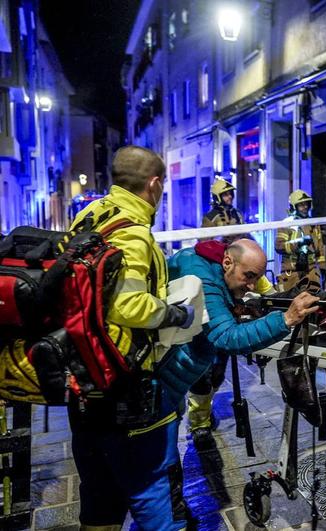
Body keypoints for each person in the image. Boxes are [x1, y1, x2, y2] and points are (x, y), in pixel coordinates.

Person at [66, 146, 198, 530]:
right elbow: (129, 306)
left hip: (84, 378)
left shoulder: (91, 215)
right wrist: (177, 313)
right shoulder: (134, 233)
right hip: (126, 385)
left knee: (99, 495)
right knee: (154, 488)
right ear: (154, 184)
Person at [166, 238, 319, 450]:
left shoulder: (221, 265)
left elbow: (267, 294)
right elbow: (226, 336)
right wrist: (285, 320)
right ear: (227, 262)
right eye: (248, 277)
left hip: (178, 367)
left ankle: (199, 421)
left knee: (212, 377)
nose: (252, 286)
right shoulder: (201, 276)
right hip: (164, 377)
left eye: (256, 278)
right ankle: (199, 423)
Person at [275, 190, 326, 291]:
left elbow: (320, 248)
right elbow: (279, 246)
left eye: (306, 204)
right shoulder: (286, 224)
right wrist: (298, 243)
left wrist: (323, 268)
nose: (305, 207)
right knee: (288, 302)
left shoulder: (314, 224)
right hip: (291, 273)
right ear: (294, 207)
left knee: (313, 301)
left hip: (311, 271)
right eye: (301, 205)